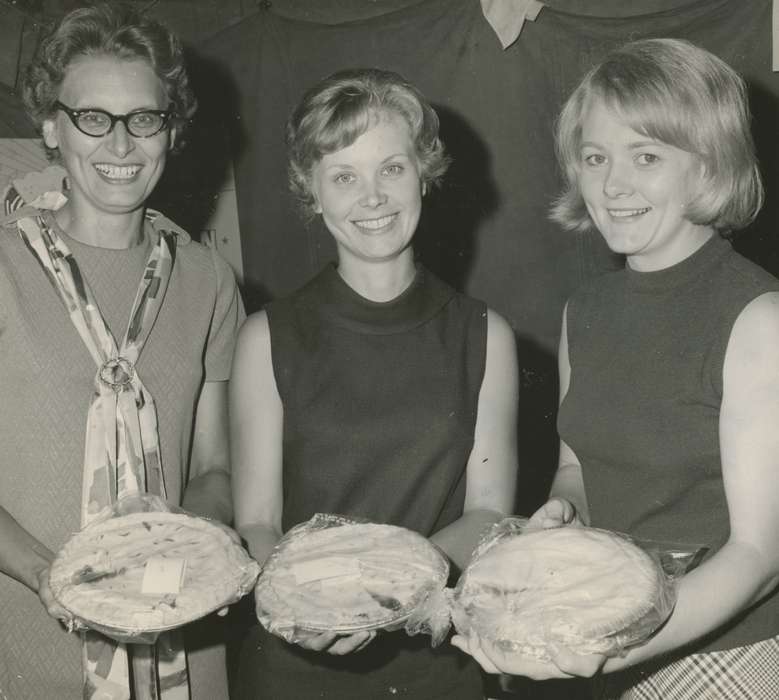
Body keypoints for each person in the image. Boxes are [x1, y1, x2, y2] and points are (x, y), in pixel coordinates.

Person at [451, 38, 779, 698]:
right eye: (595, 157)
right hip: (604, 624)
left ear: (709, 166)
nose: (610, 184)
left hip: (722, 650)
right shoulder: (587, 309)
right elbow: (579, 467)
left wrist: (605, 651)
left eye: (646, 156)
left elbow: (760, 555)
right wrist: (563, 510)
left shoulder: (757, 320)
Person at [229, 67, 519, 699]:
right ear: (312, 191)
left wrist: (389, 588)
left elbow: (490, 512)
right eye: (343, 176)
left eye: (391, 168)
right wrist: (313, 604)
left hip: (436, 663)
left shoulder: (485, 334)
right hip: (298, 660)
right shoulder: (264, 338)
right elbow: (256, 521)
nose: (372, 197)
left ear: (424, 171)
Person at [0, 4, 244, 699]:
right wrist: (51, 576)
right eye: (92, 118)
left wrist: (179, 555)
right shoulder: (2, 267)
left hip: (176, 638)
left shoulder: (206, 280)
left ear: (171, 130)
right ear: (51, 125)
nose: (121, 145)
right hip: (29, 637)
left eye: (144, 119)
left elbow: (215, 467)